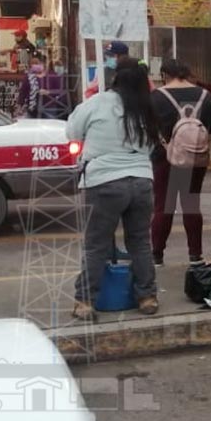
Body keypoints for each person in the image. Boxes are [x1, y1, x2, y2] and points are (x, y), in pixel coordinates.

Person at [67, 58, 161, 321]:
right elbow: (153, 146)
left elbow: (72, 131)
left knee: (96, 245)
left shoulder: (97, 102)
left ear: (115, 77)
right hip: (142, 182)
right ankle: (147, 297)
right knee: (140, 242)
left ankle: (85, 301)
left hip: (104, 182)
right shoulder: (147, 107)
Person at [150, 59, 211, 267]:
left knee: (163, 206)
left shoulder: (156, 97)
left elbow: (148, 129)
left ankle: (157, 255)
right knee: (191, 205)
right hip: (196, 158)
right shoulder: (205, 96)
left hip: (165, 158)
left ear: (164, 75)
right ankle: (195, 255)